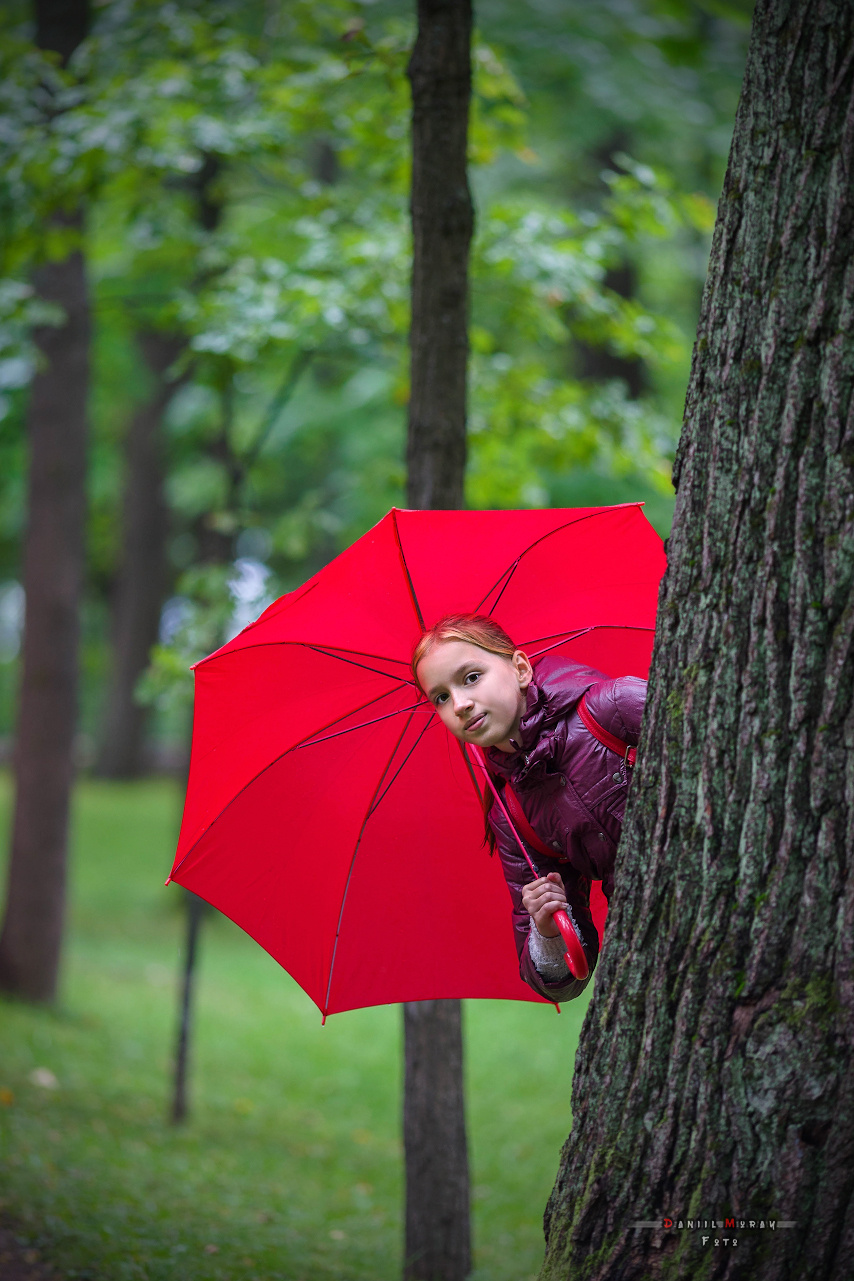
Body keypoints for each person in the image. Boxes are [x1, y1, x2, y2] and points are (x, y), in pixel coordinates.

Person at [412, 614, 646, 1004]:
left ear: (520, 668)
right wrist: (547, 929)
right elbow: (567, 981)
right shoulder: (513, 815)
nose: (461, 704)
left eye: (471, 677)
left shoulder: (612, 708)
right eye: (441, 697)